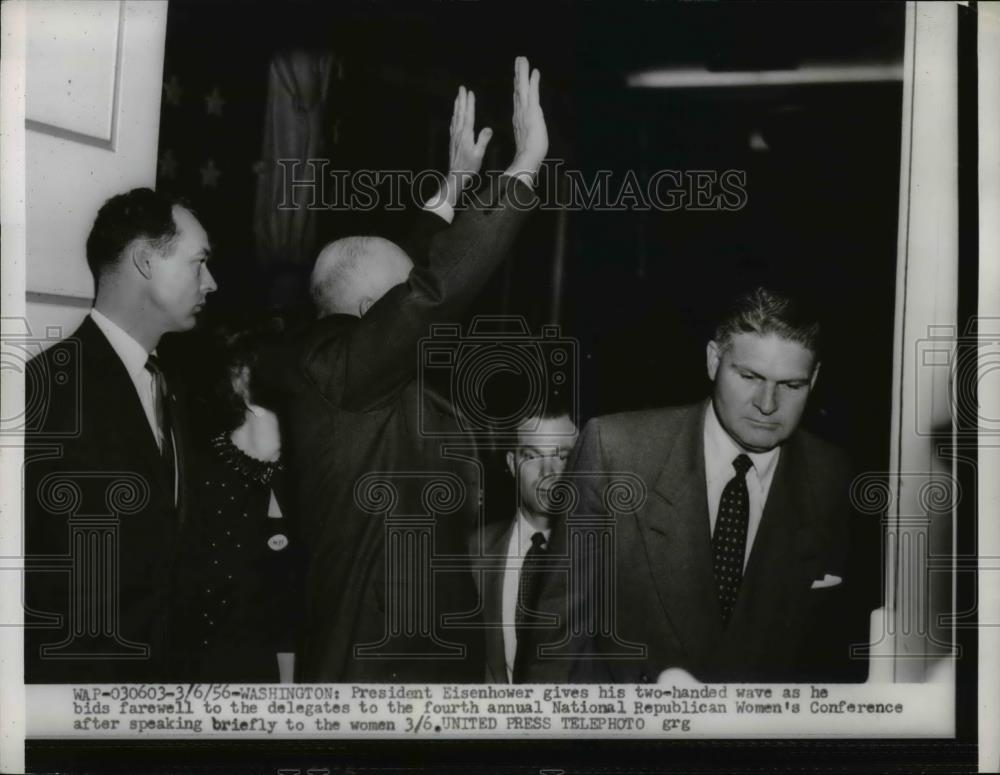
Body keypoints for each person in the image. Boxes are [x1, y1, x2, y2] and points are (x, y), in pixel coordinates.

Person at [258, 57, 548, 682]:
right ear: (372, 315)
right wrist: (524, 169)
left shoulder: (340, 359)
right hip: (381, 671)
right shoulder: (339, 367)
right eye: (395, 308)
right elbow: (430, 290)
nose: (408, 319)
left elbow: (408, 277)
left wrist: (452, 187)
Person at [525, 287, 866, 683]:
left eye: (791, 385)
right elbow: (558, 639)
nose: (768, 404)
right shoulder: (616, 452)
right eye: (750, 376)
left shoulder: (832, 475)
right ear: (713, 361)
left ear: (816, 378)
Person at [24, 189, 217, 682]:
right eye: (198, 263)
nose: (210, 283)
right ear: (145, 261)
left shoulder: (168, 387)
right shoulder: (47, 390)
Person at [171, 315, 302, 683]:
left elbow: (293, 595)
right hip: (211, 666)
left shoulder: (308, 468)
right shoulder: (195, 464)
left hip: (291, 668)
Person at [473, 407, 578, 683]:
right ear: (511, 463)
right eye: (532, 456)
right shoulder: (474, 551)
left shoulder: (606, 555)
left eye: (562, 456)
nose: (548, 472)